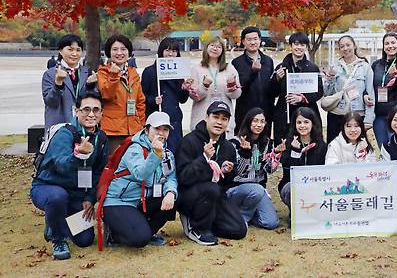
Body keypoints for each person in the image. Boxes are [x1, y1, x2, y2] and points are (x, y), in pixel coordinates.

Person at [31, 91, 109, 260]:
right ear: (76, 111)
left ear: (101, 113)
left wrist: (89, 198)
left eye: (96, 110)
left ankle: (56, 221)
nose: (91, 114)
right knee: (58, 197)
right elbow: (61, 165)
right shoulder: (65, 133)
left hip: (76, 193)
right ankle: (57, 237)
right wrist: (78, 155)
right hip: (48, 187)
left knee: (85, 240)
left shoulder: (101, 138)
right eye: (86, 109)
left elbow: (97, 173)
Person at [175, 101, 247, 245]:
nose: (219, 122)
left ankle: (207, 222)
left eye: (224, 119)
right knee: (211, 188)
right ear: (206, 117)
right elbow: (183, 177)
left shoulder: (228, 147)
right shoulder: (188, 141)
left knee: (238, 230)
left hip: (213, 198)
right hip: (188, 196)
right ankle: (196, 226)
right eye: (216, 117)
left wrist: (227, 172)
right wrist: (204, 158)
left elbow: (227, 184)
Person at [102, 111, 178, 247]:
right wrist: (156, 154)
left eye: (165, 129)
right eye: (157, 129)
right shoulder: (135, 149)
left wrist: (171, 193)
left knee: (175, 199)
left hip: (141, 201)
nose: (161, 133)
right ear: (147, 130)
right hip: (119, 201)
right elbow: (140, 174)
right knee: (139, 239)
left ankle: (147, 231)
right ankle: (114, 232)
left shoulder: (167, 153)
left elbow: (170, 177)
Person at [227, 108, 279, 230]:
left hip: (259, 188)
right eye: (255, 121)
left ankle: (248, 214)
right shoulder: (235, 142)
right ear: (248, 122)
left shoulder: (266, 143)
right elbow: (238, 172)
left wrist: (276, 155)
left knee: (271, 223)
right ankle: (241, 219)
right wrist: (245, 154)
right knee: (257, 190)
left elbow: (268, 170)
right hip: (237, 188)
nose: (259, 125)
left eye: (262, 121)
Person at [270, 32, 323, 145]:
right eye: (296, 44)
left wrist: (302, 98)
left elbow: (319, 92)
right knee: (285, 149)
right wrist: (277, 79)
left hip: (307, 114)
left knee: (308, 147)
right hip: (285, 115)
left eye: (303, 45)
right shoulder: (281, 67)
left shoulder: (313, 68)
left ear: (306, 47)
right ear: (291, 46)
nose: (299, 48)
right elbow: (272, 92)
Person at [141, 38, 193, 153]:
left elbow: (182, 100)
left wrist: (184, 89)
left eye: (174, 51)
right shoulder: (150, 71)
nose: (170, 54)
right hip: (157, 120)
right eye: (167, 50)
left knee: (175, 153)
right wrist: (153, 100)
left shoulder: (179, 73)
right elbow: (141, 97)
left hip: (174, 120)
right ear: (161, 52)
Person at [97, 35, 146, 153]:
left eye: (123, 49)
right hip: (113, 131)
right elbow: (106, 95)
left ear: (129, 52)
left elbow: (140, 102)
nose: (119, 53)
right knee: (114, 166)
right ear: (109, 52)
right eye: (115, 49)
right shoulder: (103, 72)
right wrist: (114, 76)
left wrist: (140, 124)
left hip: (133, 130)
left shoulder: (133, 73)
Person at [322, 35, 375, 144]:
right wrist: (330, 79)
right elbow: (327, 93)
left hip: (357, 114)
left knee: (357, 149)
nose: (345, 48)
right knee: (335, 147)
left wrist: (368, 119)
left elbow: (371, 94)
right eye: (342, 46)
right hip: (336, 114)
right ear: (339, 49)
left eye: (348, 45)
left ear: (354, 46)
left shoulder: (365, 67)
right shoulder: (334, 66)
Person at [42, 34, 97, 129]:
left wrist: (90, 86)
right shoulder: (50, 74)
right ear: (60, 51)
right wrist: (58, 84)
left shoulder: (87, 72)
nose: (74, 54)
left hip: (83, 126)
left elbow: (94, 101)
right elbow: (51, 102)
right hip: (59, 126)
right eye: (70, 49)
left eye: (78, 50)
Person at [278, 107, 327, 212]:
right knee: (291, 188)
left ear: (312, 123)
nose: (302, 126)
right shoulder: (288, 143)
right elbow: (288, 171)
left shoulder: (321, 145)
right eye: (299, 122)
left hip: (314, 185)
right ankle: (295, 214)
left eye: (306, 122)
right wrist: (295, 151)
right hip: (291, 184)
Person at [189, 36, 242, 133]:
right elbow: (194, 96)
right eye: (212, 45)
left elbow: (237, 95)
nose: (215, 48)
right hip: (201, 120)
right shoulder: (196, 69)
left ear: (222, 50)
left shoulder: (229, 68)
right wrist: (204, 86)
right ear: (206, 48)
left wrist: (232, 86)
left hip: (223, 120)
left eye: (219, 47)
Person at [371, 33, 397, 146]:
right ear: (383, 47)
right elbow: (369, 86)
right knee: (383, 147)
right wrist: (366, 94)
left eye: (393, 43)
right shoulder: (376, 65)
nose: (390, 46)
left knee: (396, 148)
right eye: (387, 43)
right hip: (379, 115)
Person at [231, 26, 275, 133]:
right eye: (249, 39)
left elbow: (271, 87)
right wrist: (253, 72)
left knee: (264, 144)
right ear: (243, 42)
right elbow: (239, 86)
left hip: (265, 112)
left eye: (255, 39)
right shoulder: (236, 63)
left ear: (260, 40)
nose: (253, 42)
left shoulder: (268, 61)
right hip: (245, 112)